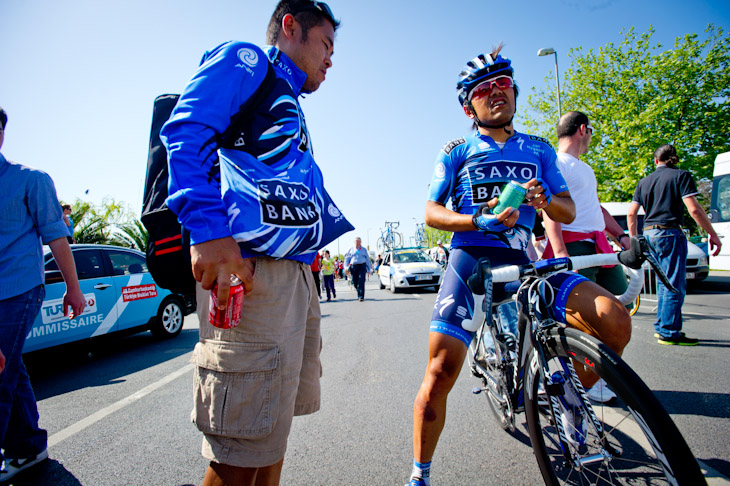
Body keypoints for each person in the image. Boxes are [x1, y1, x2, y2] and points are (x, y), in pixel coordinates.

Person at [405, 47, 632, 486]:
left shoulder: (540, 148)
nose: (496, 93)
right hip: (470, 261)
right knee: (438, 376)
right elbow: (431, 212)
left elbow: (565, 210)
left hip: (525, 261)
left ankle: (568, 395)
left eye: (503, 84)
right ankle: (420, 475)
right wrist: (477, 219)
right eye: (483, 89)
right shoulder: (457, 149)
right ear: (468, 105)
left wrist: (545, 198)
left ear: (515, 91)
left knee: (614, 321)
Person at [158, 2, 351, 485]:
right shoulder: (249, 62)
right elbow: (185, 132)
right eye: (326, 44)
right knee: (239, 453)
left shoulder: (288, 100)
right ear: (291, 27)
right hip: (249, 275)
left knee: (271, 435)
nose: (331, 59)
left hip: (293, 280)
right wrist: (208, 230)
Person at [0, 105, 86, 483]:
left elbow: (56, 235)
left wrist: (73, 288)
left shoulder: (29, 180)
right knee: (10, 367)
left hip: (17, 290)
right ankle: (29, 448)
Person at [542, 111, 633, 403]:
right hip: (576, 248)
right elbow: (550, 209)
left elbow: (598, 209)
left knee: (615, 312)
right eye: (592, 131)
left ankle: (590, 376)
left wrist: (621, 236)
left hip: (599, 248)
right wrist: (560, 254)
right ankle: (580, 385)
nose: (592, 137)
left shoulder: (585, 169)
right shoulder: (557, 164)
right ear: (583, 130)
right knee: (588, 320)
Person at [628, 144, 722, 346]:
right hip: (670, 232)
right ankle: (669, 332)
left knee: (663, 283)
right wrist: (712, 234)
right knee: (673, 284)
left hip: (650, 233)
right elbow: (694, 210)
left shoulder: (643, 182)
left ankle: (663, 326)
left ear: (655, 161)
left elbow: (631, 213)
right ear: (674, 159)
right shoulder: (681, 176)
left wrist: (636, 239)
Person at [344, 237, 371, 301]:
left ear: (361, 242)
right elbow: (347, 259)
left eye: (359, 242)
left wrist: (369, 269)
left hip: (362, 266)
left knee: (361, 281)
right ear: (354, 242)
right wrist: (346, 267)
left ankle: (361, 296)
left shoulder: (364, 249)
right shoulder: (351, 249)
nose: (358, 243)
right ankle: (358, 290)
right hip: (354, 266)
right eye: (357, 242)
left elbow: (367, 259)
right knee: (355, 281)